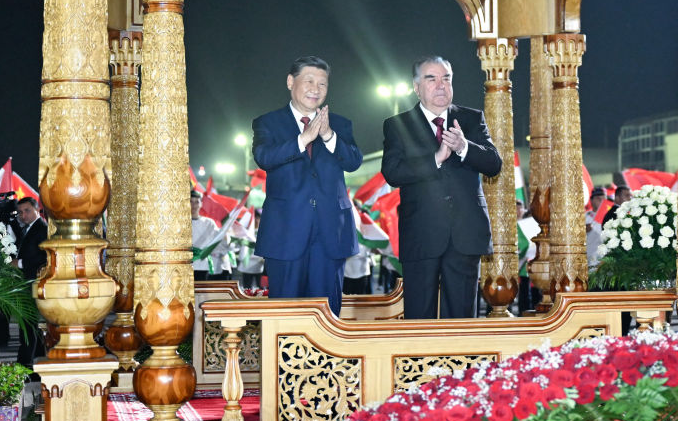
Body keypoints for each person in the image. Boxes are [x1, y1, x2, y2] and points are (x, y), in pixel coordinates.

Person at [382, 55, 502, 319]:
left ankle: (460, 350)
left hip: (465, 234)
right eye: (432, 79)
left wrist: (464, 147)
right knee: (419, 317)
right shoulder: (398, 125)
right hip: (421, 235)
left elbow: (494, 164)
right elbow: (392, 172)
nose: (441, 86)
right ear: (416, 87)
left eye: (446, 79)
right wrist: (435, 159)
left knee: (461, 318)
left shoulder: (471, 119)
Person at [252, 56, 363, 316]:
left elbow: (354, 162)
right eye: (309, 81)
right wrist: (303, 139)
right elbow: (264, 158)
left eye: (322, 84)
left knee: (327, 313)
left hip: (330, 234)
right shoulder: (268, 123)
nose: (316, 89)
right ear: (290, 82)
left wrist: (328, 136)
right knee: (285, 314)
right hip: (285, 233)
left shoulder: (340, 124)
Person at [15, 197, 47, 367]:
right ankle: (36, 360)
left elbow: (44, 257)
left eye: (27, 211)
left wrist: (20, 263)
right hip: (27, 281)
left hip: (33, 281)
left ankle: (25, 363)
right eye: (20, 212)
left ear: (37, 210)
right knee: (29, 324)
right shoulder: (29, 228)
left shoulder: (42, 228)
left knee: (28, 324)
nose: (23, 215)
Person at [191, 190, 232, 281]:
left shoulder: (209, 223)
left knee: (202, 289)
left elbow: (218, 241)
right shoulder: (180, 222)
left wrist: (226, 237)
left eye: (196, 202)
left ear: (201, 204)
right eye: (191, 202)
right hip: (185, 265)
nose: (193, 205)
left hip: (202, 265)